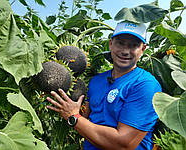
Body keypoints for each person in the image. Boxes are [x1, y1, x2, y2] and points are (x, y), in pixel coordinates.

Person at [46, 20, 162, 150]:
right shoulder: (96, 81)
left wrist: (73, 117)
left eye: (133, 45)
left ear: (142, 49)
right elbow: (86, 119)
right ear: (111, 44)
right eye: (120, 43)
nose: (125, 51)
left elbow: (124, 144)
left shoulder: (146, 85)